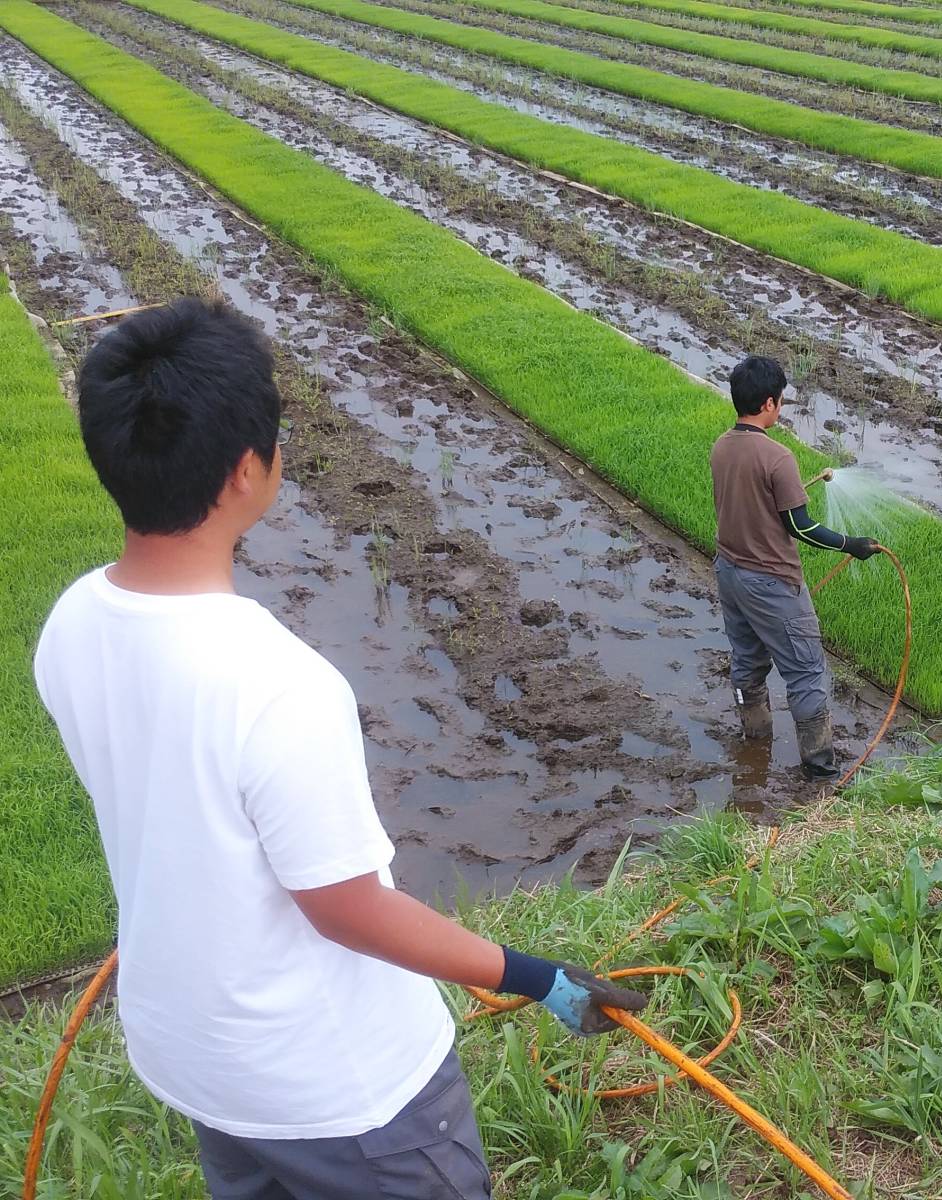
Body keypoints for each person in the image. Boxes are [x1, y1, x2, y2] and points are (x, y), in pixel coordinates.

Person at [33, 298, 646, 1200]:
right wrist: (534, 977)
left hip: (199, 1054)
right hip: (339, 1086)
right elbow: (346, 908)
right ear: (247, 470)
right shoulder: (278, 683)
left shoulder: (74, 620)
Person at [710, 355, 881, 783]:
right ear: (769, 402)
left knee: (747, 660)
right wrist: (851, 545)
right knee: (806, 669)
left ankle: (754, 740)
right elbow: (798, 527)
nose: (781, 407)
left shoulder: (722, 446)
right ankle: (820, 770)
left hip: (730, 572)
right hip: (771, 581)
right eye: (781, 400)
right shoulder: (776, 456)